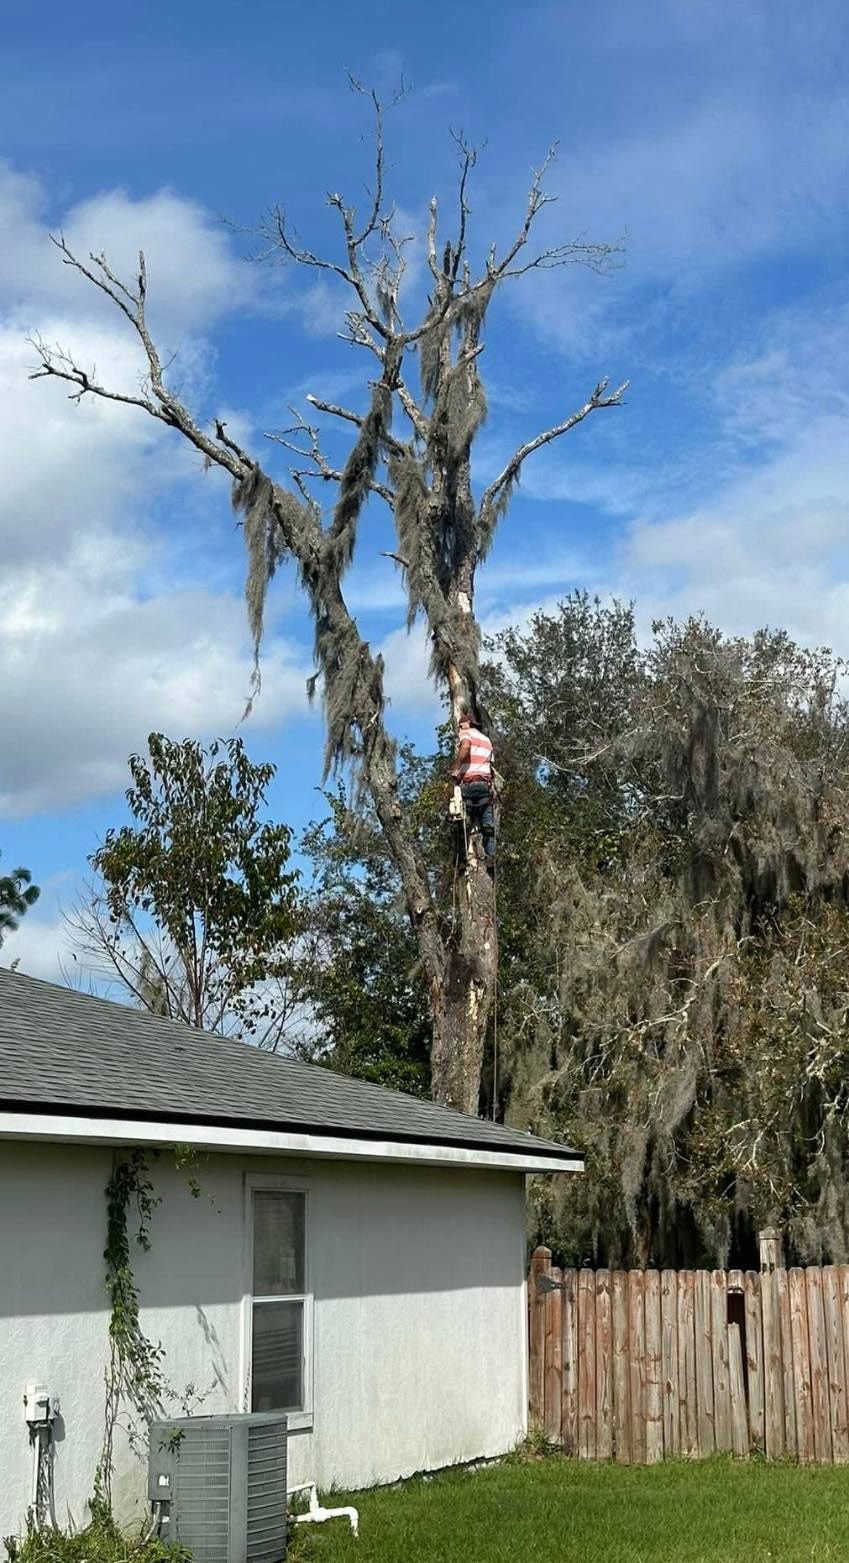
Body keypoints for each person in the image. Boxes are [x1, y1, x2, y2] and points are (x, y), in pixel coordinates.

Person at [451, 710, 496, 869]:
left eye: (459, 725)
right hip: (485, 785)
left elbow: (466, 747)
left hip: (470, 784)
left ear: (466, 723)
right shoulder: (487, 740)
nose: (459, 728)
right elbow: (491, 767)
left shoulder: (466, 733)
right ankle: (491, 858)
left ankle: (462, 860)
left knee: (461, 821)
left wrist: (456, 768)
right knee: (488, 825)